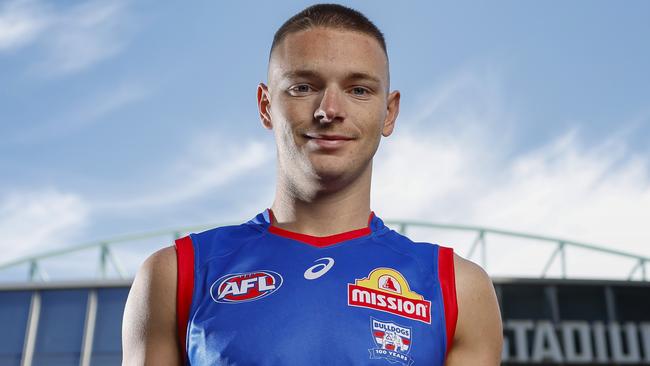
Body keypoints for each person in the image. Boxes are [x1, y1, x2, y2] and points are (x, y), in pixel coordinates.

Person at [122, 3, 503, 365]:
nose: (329, 110)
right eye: (303, 86)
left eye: (359, 90)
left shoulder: (456, 288)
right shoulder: (176, 275)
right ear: (266, 106)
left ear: (389, 113)